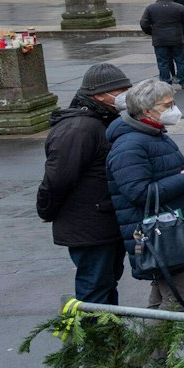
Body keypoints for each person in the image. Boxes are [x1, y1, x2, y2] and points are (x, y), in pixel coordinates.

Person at [106, 79, 184, 309]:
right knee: (177, 302)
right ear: (146, 110)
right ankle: (154, 336)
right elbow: (138, 192)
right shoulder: (131, 145)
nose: (173, 109)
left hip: (164, 229)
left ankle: (150, 335)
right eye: (167, 105)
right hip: (160, 232)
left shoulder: (150, 134)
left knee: (163, 298)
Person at [37, 63, 133, 304]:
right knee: (95, 288)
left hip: (102, 220)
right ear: (99, 95)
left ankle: (109, 328)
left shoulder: (100, 120)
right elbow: (58, 178)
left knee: (106, 283)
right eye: (120, 91)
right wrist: (46, 209)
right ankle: (94, 329)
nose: (126, 96)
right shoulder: (80, 128)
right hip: (90, 224)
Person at [140, 0, 184, 88]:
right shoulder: (179, 7)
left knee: (163, 62)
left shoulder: (150, 8)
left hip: (159, 39)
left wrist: (151, 32)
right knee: (180, 60)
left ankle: (165, 82)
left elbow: (144, 23)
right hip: (177, 38)